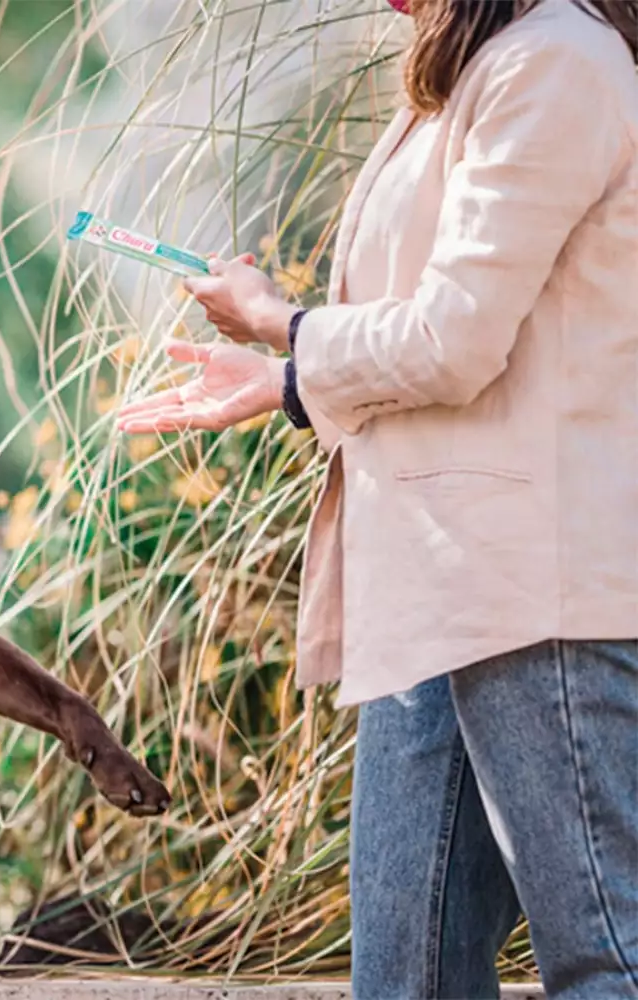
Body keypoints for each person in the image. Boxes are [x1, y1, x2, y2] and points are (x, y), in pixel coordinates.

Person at [117, 1, 638, 997]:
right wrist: (280, 375)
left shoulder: (555, 63)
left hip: (537, 588)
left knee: (603, 959)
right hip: (432, 586)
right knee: (405, 977)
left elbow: (453, 340)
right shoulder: (471, 70)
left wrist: (285, 323)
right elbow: (451, 333)